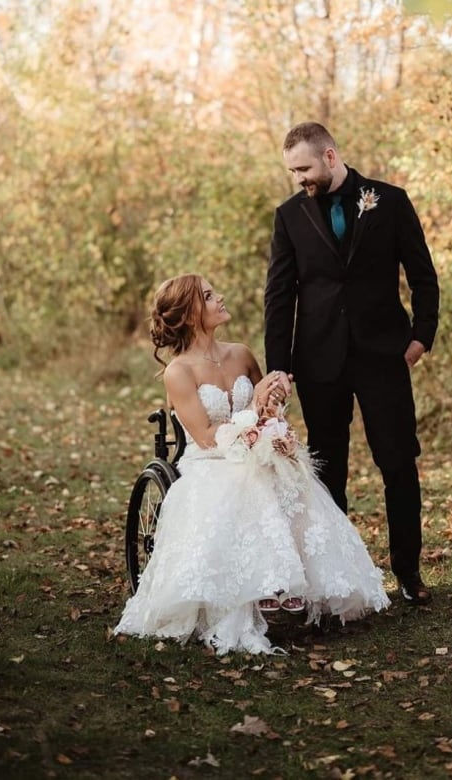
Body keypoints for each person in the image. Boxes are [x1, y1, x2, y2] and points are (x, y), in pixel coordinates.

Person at [114, 273, 389, 655]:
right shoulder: (180, 371)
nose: (220, 297)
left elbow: (267, 408)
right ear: (192, 312)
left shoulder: (241, 354)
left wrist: (272, 400)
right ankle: (268, 582)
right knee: (245, 480)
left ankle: (295, 580)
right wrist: (253, 420)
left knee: (290, 474)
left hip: (254, 445)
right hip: (211, 458)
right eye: (209, 296)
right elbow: (207, 435)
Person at [264, 122, 439, 606]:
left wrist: (422, 336)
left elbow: (423, 275)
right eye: (291, 170)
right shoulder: (289, 217)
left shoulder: (390, 201)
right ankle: (338, 578)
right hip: (319, 360)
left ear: (331, 156)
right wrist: (278, 367)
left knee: (399, 462)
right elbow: (279, 296)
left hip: (384, 355)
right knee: (328, 469)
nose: (298, 178)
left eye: (303, 167)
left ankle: (408, 572)